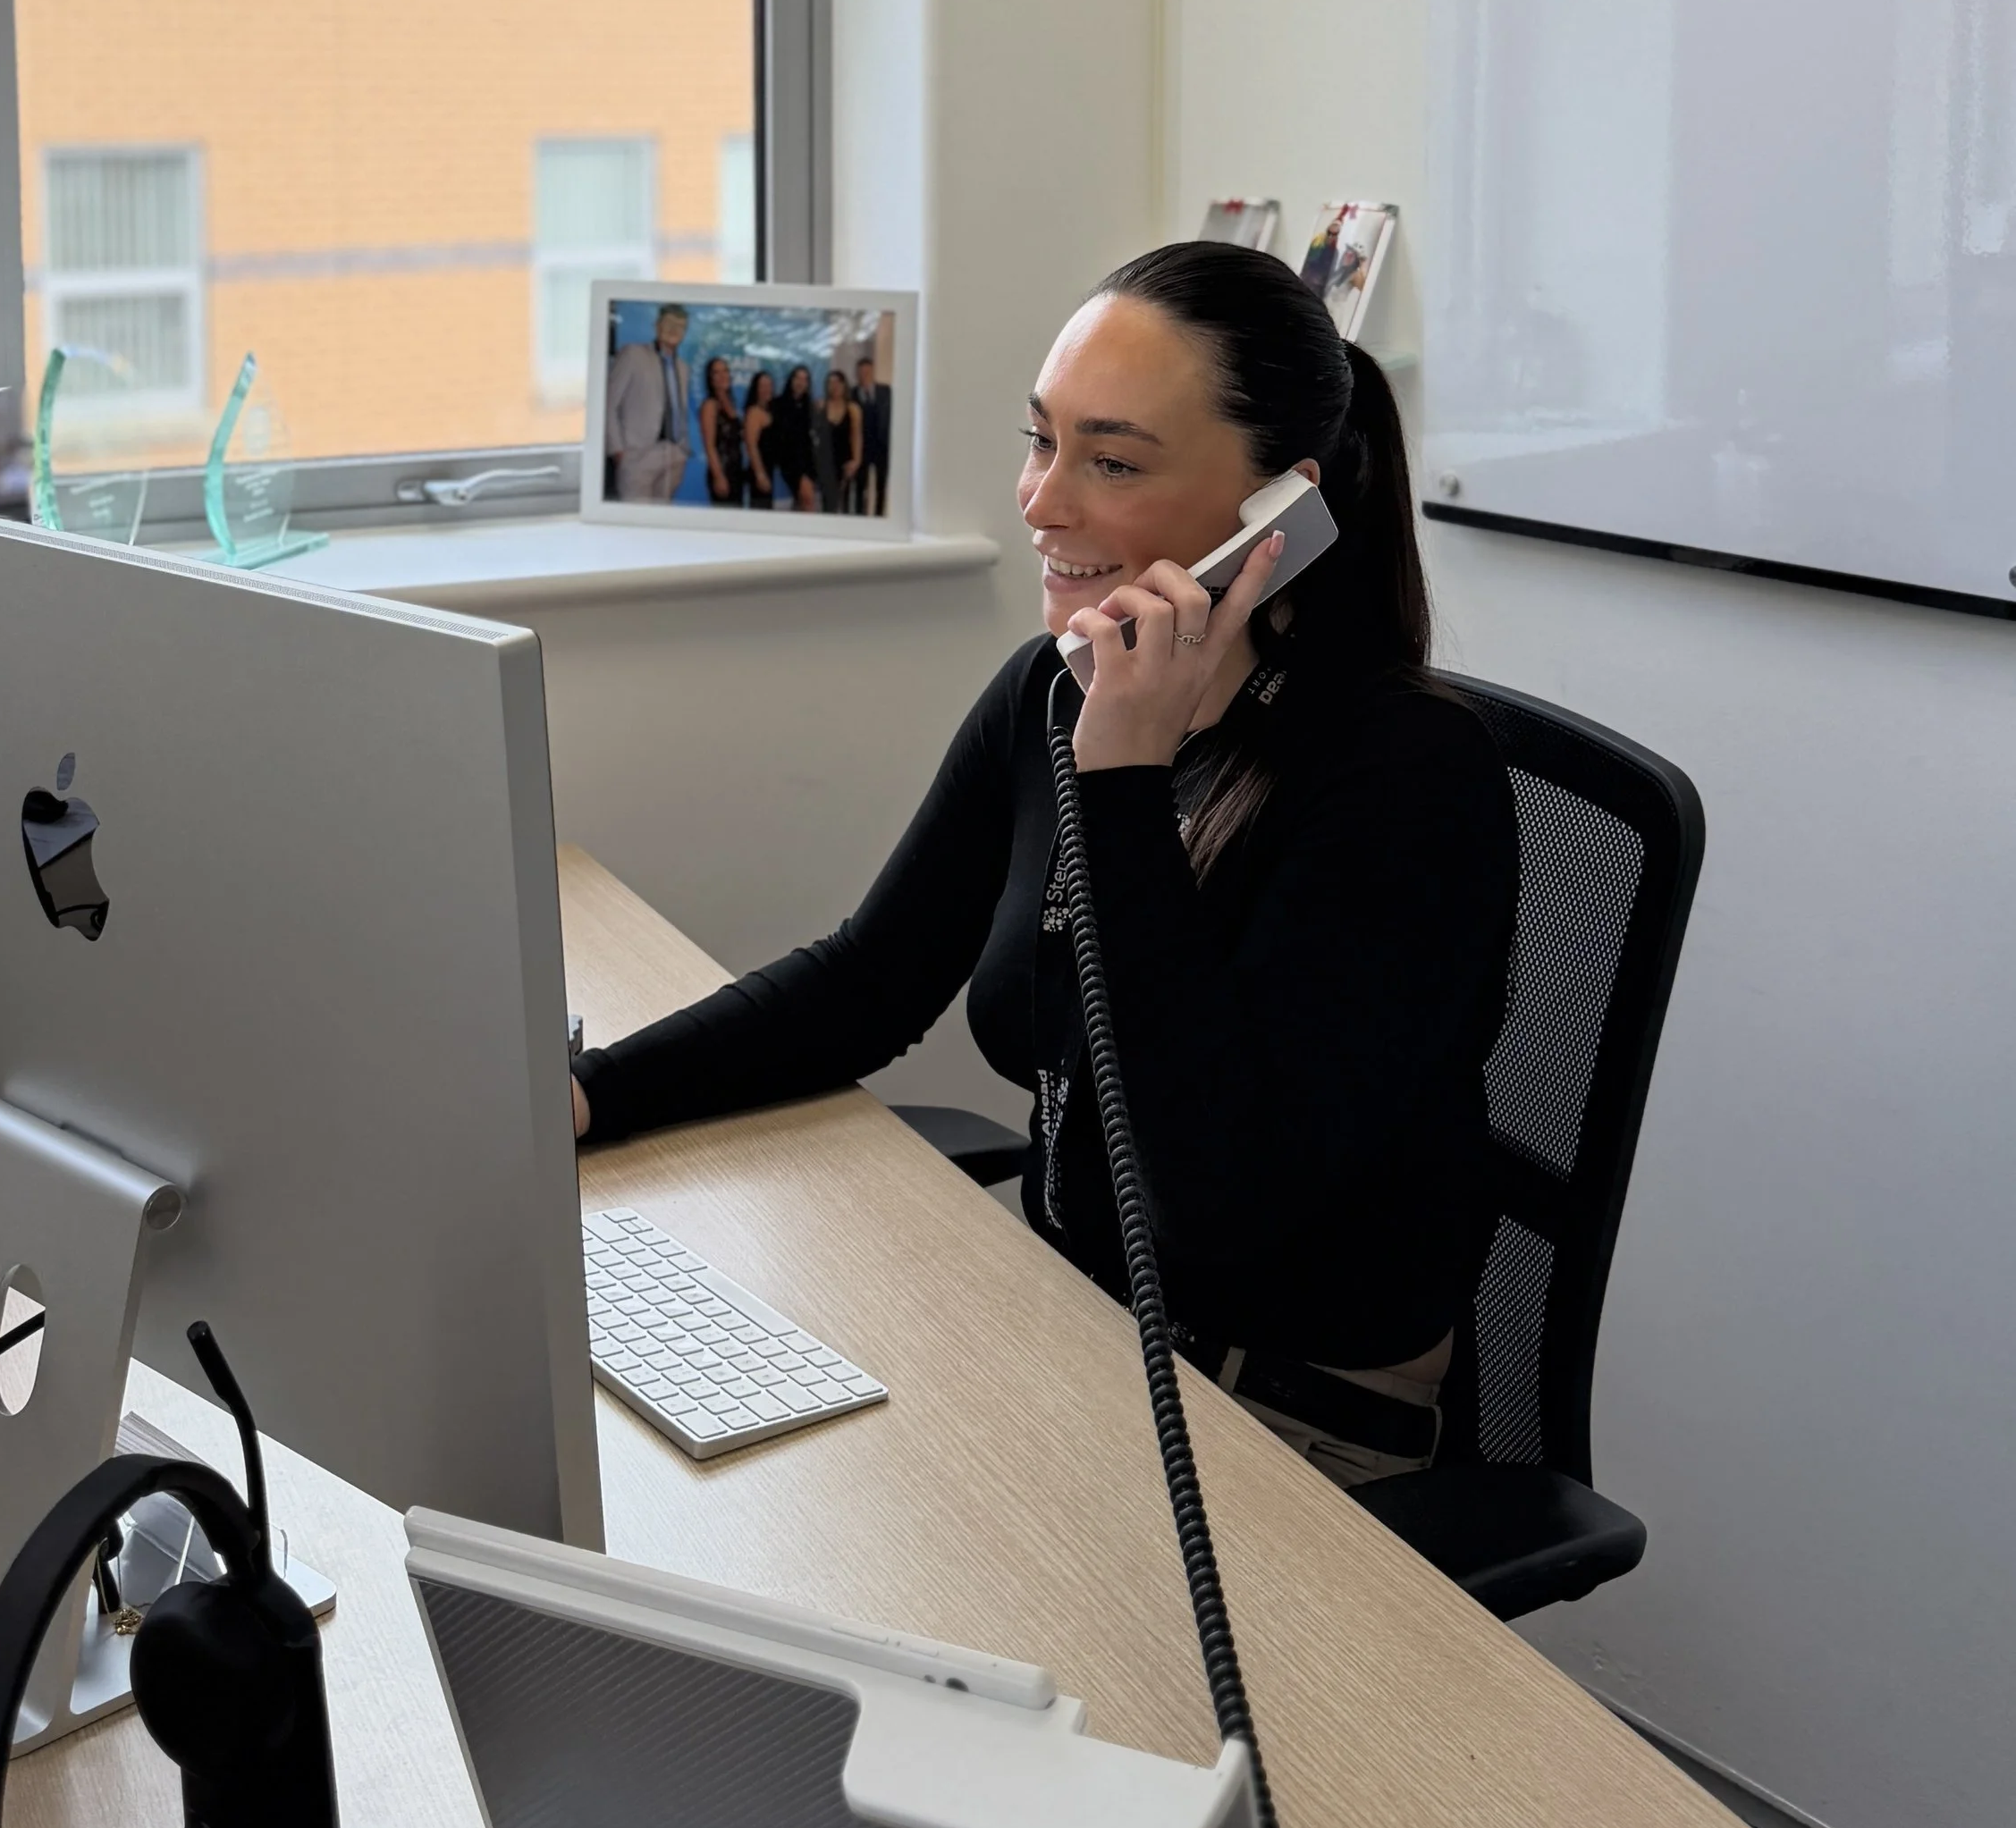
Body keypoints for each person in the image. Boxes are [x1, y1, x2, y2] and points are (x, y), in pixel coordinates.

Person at [574, 241, 1519, 1492]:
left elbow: (1208, 1198)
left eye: (1112, 461)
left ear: (1275, 515)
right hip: (1077, 1331)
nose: (1040, 501)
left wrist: (1123, 774)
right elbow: (870, 977)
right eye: (1042, 441)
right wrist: (588, 1097)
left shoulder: (1403, 780)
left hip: (1283, 1422)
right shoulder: (1053, 690)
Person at [603, 304, 692, 505]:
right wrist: (618, 451)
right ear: (657, 325)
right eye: (669, 323)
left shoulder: (683, 368)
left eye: (680, 326)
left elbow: (680, 409)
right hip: (638, 455)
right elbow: (609, 404)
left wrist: (682, 449)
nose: (673, 330)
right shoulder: (633, 355)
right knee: (636, 526)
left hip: (673, 455)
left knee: (663, 524)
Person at [766, 363, 820, 510]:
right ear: (791, 380)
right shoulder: (777, 404)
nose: (800, 382)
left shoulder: (809, 407)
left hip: (808, 460)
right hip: (790, 460)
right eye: (797, 378)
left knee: (803, 501)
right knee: (807, 499)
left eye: (805, 379)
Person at [697, 354, 746, 507]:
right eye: (716, 372)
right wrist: (718, 476)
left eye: (725, 371)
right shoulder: (710, 406)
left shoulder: (731, 404)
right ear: (710, 378)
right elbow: (709, 446)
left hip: (736, 471)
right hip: (722, 471)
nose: (722, 376)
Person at [814, 365, 861, 516]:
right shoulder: (820, 406)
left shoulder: (853, 409)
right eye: (830, 383)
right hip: (825, 462)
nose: (834, 387)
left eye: (838, 383)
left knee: (846, 504)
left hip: (845, 462)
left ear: (844, 385)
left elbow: (856, 436)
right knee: (828, 503)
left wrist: (856, 461)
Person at [851, 346, 892, 518]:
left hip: (882, 446)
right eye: (861, 372)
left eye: (867, 371)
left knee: (882, 485)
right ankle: (861, 517)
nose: (865, 375)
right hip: (862, 447)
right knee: (861, 485)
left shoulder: (886, 391)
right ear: (857, 373)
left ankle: (879, 516)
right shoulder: (851, 393)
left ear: (872, 371)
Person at [741, 369, 778, 510]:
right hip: (760, 470)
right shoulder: (754, 412)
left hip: (769, 469)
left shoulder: (770, 411)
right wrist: (760, 474)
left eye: (769, 385)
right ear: (756, 388)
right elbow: (751, 445)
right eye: (762, 385)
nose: (766, 389)